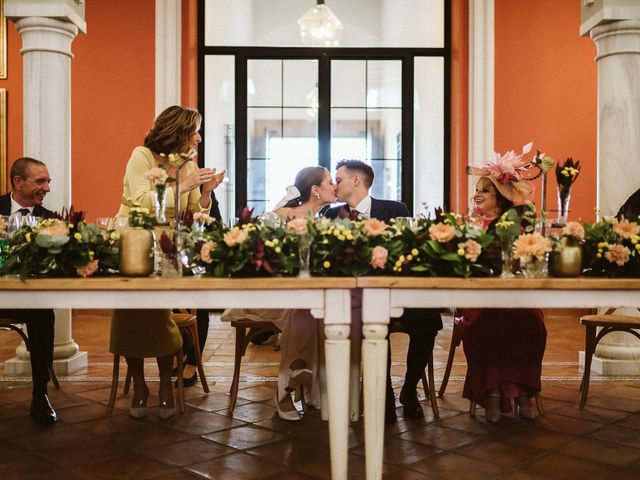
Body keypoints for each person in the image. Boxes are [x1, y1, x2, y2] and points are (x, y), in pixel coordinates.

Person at [110, 105, 224, 419]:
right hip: (134, 242)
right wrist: (184, 185)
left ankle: (162, 380)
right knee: (130, 311)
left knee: (159, 311)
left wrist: (204, 193)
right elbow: (142, 200)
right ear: (176, 131)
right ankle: (138, 383)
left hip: (170, 248)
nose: (199, 138)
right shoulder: (142, 156)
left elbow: (191, 218)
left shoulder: (187, 163)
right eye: (194, 131)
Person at [325, 160, 443, 421]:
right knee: (375, 324)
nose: (335, 184)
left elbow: (408, 253)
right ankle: (384, 393)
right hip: (357, 296)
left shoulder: (394, 209)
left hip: (396, 290)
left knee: (428, 319)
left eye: (339, 179)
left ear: (356, 180)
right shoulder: (331, 215)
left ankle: (410, 390)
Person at [221, 166, 337, 421]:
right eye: (330, 182)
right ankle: (289, 388)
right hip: (267, 293)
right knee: (304, 310)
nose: (335, 186)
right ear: (316, 190)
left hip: (301, 295)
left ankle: (298, 380)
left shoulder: (324, 223)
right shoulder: (282, 215)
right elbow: (255, 252)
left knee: (314, 308)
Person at [461, 167, 547, 423]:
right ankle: (492, 393)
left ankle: (522, 391)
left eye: (485, 190)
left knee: (531, 322)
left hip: (517, 294)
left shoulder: (520, 224)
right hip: (476, 297)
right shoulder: (465, 224)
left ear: (501, 196)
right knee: (487, 322)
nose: (477, 195)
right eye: (476, 190)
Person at [0, 157, 58, 424]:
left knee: (43, 314)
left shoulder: (52, 220)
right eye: (40, 181)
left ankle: (40, 394)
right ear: (17, 182)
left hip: (28, 298)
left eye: (48, 181)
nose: (46, 188)